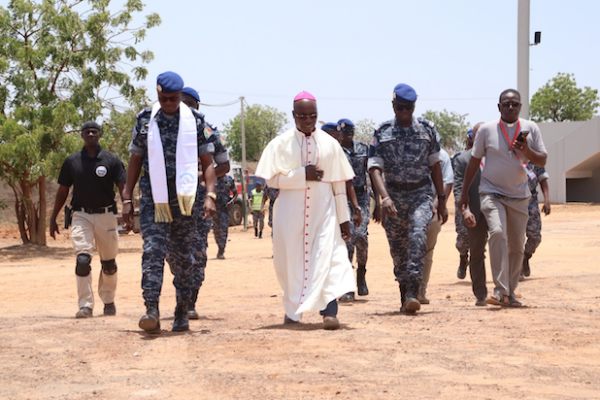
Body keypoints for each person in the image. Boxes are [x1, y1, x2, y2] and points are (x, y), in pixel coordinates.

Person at [123, 72, 217, 332]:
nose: (168, 104)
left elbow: (209, 164)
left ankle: (181, 309)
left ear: (180, 95)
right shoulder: (145, 119)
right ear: (157, 95)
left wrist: (210, 195)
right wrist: (127, 198)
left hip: (186, 199)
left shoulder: (195, 122)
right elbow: (135, 160)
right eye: (163, 99)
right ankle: (151, 309)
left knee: (183, 257)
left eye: (173, 98)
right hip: (154, 197)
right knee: (152, 250)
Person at [255, 91, 355, 330]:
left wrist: (344, 220)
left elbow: (338, 185)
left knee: (329, 258)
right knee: (290, 263)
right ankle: (292, 312)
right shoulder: (279, 144)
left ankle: (329, 312)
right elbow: (271, 181)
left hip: (324, 214)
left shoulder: (330, 144)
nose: (308, 121)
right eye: (303, 116)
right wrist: (302, 176)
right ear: (293, 115)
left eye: (313, 116)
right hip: (291, 215)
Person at [458, 89, 547, 307]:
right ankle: (499, 291)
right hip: (492, 193)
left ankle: (510, 292)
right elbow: (473, 162)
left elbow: (542, 160)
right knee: (497, 232)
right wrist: (463, 194)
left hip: (519, 195)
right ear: (499, 107)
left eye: (514, 104)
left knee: (517, 246)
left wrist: (527, 149)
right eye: (506, 104)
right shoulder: (487, 130)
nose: (510, 107)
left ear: (520, 107)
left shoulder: (531, 128)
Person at [368, 83, 448, 314]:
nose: (405, 112)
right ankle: (405, 293)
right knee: (398, 248)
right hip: (393, 195)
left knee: (417, 235)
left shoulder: (427, 128)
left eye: (409, 108)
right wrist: (384, 199)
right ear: (393, 106)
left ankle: (414, 289)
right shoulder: (382, 131)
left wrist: (441, 200)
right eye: (400, 107)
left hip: (421, 194)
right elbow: (374, 168)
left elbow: (435, 165)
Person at [49, 121, 127, 319]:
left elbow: (122, 185)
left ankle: (108, 301)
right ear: (82, 135)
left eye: (94, 131)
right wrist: (53, 217)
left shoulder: (112, 160)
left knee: (109, 264)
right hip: (81, 215)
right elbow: (63, 190)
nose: (91, 134)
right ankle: (85, 305)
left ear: (99, 134)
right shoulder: (72, 161)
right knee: (83, 260)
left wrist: (128, 206)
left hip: (107, 215)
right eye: (87, 132)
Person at [181, 86, 230, 317]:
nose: (185, 107)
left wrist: (202, 176)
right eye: (182, 102)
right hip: (172, 198)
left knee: (198, 250)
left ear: (197, 107)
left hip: (201, 199)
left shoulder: (209, 132)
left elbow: (225, 166)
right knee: (176, 250)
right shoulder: (163, 128)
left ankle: (191, 301)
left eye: (190, 103)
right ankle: (180, 294)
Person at [338, 118, 375, 300]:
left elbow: (373, 173)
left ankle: (361, 272)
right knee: (348, 237)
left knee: (361, 236)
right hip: (341, 198)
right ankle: (347, 285)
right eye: (345, 132)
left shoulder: (363, 149)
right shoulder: (336, 150)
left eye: (351, 131)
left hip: (362, 196)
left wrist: (380, 202)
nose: (348, 134)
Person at [453, 123, 488, 306]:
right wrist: (465, 211)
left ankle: (504, 289)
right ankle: (481, 294)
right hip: (474, 212)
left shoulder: (498, 157)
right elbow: (459, 188)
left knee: (502, 247)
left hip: (498, 209)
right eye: (478, 134)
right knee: (476, 252)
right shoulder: (463, 160)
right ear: (472, 138)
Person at [419, 145, 453, 304]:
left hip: (431, 211)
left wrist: (437, 205)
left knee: (427, 250)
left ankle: (420, 290)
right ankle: (408, 290)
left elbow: (447, 181)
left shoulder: (443, 156)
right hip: (408, 207)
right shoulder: (410, 151)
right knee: (409, 249)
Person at [522, 162, 551, 279]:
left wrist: (547, 200)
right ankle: (516, 266)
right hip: (512, 200)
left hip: (531, 200)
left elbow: (543, 180)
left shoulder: (535, 160)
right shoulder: (510, 156)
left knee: (535, 237)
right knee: (515, 237)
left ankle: (525, 257)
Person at [452, 129, 474, 280]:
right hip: (462, 200)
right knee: (463, 236)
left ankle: (475, 264)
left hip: (479, 199)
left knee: (480, 236)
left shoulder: (486, 157)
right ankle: (463, 257)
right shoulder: (457, 158)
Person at [213, 173, 238, 258]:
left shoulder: (229, 179)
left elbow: (235, 193)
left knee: (223, 229)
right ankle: (219, 247)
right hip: (215, 208)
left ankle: (221, 251)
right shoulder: (213, 178)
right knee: (216, 230)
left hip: (225, 208)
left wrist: (231, 202)